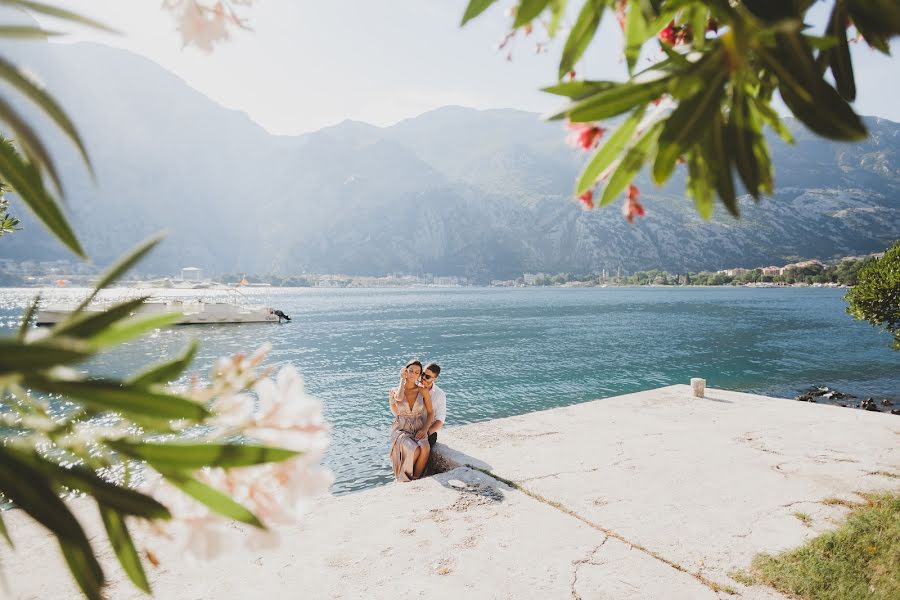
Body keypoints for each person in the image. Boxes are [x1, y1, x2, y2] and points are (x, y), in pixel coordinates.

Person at [388, 359, 433, 482]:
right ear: (405, 371)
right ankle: (404, 478)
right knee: (415, 449)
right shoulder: (395, 391)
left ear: (419, 375)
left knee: (425, 448)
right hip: (401, 429)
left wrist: (424, 429)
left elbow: (430, 413)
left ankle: (416, 479)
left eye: (417, 372)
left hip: (419, 427)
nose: (413, 374)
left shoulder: (423, 390)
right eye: (411, 370)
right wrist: (402, 379)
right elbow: (398, 401)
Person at [421, 362, 445, 451]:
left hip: (429, 431)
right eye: (423, 374)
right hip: (412, 428)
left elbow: (440, 420)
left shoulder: (440, 394)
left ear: (435, 379)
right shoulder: (414, 389)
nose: (423, 377)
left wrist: (427, 433)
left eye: (427, 376)